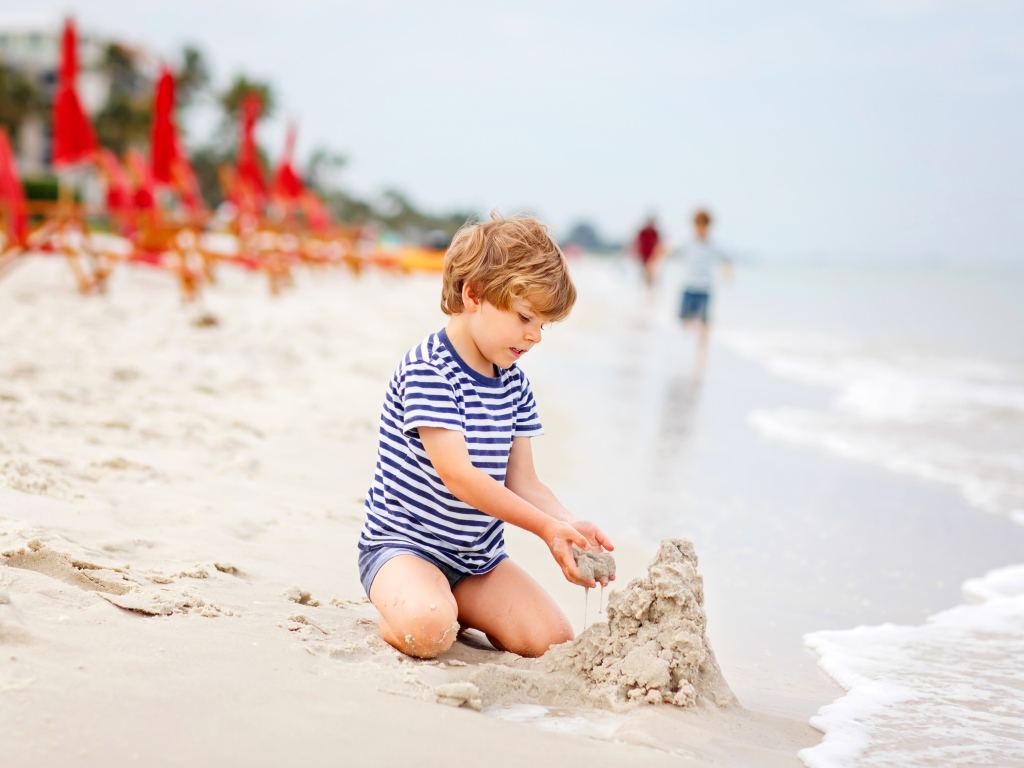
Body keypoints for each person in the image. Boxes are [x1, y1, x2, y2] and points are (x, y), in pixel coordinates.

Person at [357, 212, 614, 660]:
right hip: (405, 548)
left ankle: (455, 603)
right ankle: (408, 607)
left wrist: (567, 524)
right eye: (525, 317)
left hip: (477, 562)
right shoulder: (429, 370)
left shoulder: (513, 382)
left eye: (543, 326)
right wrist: (543, 529)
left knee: (552, 641)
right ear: (473, 294)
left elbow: (524, 482)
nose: (535, 336)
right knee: (430, 630)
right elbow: (461, 477)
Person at [678, 209, 732, 363]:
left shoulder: (713, 245)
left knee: (705, 321)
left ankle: (702, 350)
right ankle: (691, 329)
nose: (702, 229)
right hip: (689, 286)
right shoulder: (687, 242)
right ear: (694, 226)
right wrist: (654, 263)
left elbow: (726, 259)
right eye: (699, 226)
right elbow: (666, 250)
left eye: (705, 226)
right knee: (684, 320)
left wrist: (728, 273)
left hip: (705, 287)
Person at [633, 216, 663, 286]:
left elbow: (658, 245)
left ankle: (650, 290)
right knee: (644, 275)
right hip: (644, 256)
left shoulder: (655, 233)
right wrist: (636, 254)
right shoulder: (642, 232)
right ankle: (645, 289)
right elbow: (637, 243)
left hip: (653, 257)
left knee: (651, 275)